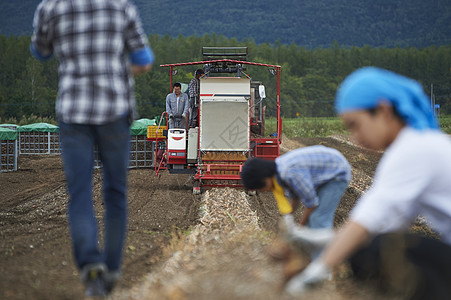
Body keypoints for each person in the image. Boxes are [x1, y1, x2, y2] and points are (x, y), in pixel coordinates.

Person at [285, 67, 451, 300]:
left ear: (383, 110)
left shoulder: (413, 149)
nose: (355, 137)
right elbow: (385, 224)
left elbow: (368, 221)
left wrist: (317, 269)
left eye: (355, 125)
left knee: (376, 252)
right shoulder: (418, 143)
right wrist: (329, 239)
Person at [31, 0, 154, 297]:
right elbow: (143, 58)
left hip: (73, 113)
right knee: (115, 193)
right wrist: (120, 71)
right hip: (114, 112)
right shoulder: (121, 7)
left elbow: (40, 50)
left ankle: (89, 265)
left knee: (80, 192)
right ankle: (111, 269)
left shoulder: (51, 7)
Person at [240, 146, 351, 258]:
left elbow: (312, 203)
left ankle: (322, 264)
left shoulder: (290, 173)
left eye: (260, 188)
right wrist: (288, 218)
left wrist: (298, 228)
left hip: (337, 171)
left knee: (318, 218)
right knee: (312, 223)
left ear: (264, 178)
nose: (262, 191)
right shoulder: (279, 172)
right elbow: (295, 196)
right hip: (322, 173)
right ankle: (311, 256)